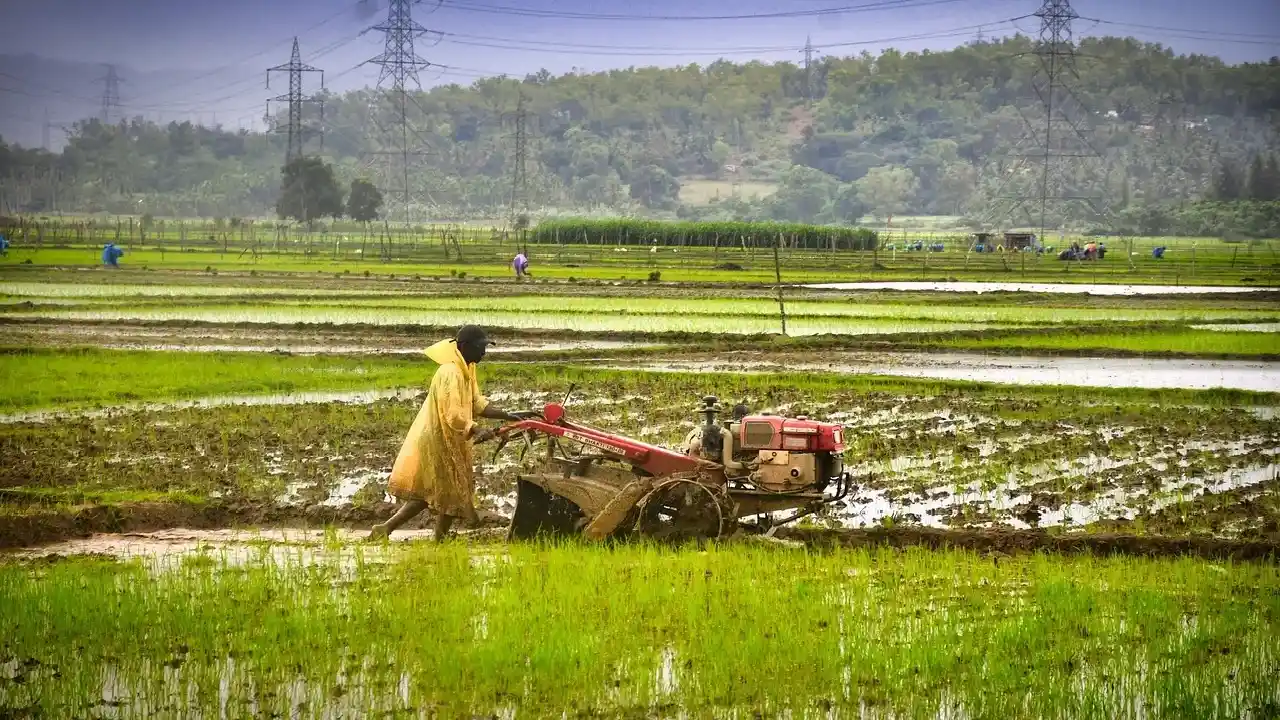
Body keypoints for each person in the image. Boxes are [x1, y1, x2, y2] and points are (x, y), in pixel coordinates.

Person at [369, 325, 535, 542]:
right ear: (464, 346)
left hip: (451, 438)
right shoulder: (450, 372)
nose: (483, 352)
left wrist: (511, 415)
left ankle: (395, 530)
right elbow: (453, 414)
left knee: (442, 490)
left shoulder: (467, 368)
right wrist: (477, 428)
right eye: (480, 347)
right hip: (437, 438)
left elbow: (477, 404)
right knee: (444, 489)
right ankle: (428, 535)